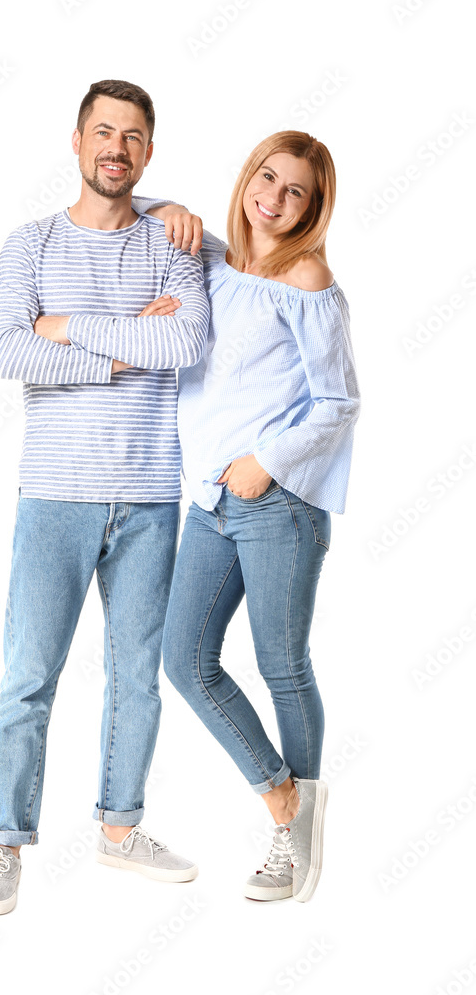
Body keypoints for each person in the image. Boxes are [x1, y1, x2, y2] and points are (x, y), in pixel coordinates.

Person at [0, 79, 209, 915]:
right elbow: (5, 351)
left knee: (135, 674)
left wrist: (67, 328)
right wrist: (119, 354)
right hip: (55, 493)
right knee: (29, 674)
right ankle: (3, 840)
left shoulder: (174, 239)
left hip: (150, 494)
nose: (116, 147)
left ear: (148, 152)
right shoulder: (29, 244)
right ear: (76, 143)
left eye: (133, 136)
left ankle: (118, 829)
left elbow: (183, 338)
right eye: (102, 132)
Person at [130, 130, 361, 902]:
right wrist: (176, 210)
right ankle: (279, 791)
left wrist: (267, 461)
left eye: (296, 190)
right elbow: (137, 205)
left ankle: (293, 837)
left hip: (277, 505)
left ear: (312, 206)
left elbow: (337, 402)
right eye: (268, 178)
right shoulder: (212, 264)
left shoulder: (307, 279)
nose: (275, 197)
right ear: (248, 177)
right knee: (185, 661)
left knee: (281, 665)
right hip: (207, 500)